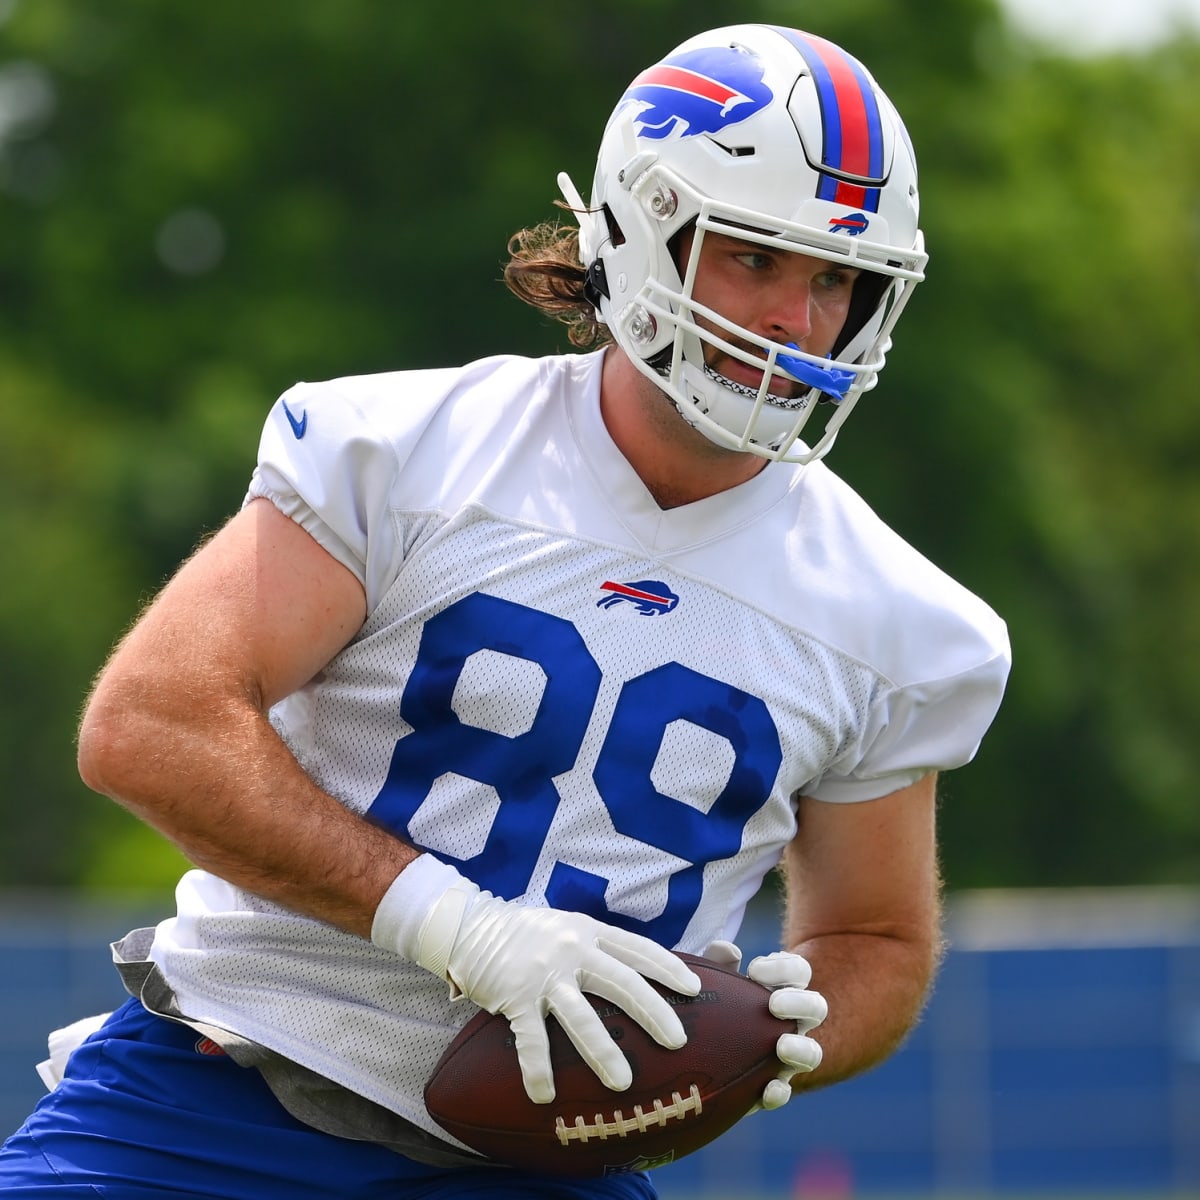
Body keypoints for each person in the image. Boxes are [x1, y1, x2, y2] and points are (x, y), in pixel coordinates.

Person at [0, 22, 1009, 1200]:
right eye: (753, 258)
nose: (795, 319)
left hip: (545, 1163)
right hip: (220, 1094)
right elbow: (151, 722)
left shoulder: (899, 620)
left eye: (835, 277)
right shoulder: (409, 453)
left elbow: (878, 942)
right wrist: (458, 928)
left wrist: (784, 1032)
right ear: (644, 229)